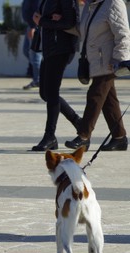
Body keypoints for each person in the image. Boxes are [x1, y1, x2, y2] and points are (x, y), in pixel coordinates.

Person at [65, 0, 130, 151]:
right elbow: (85, 30)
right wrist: (60, 24)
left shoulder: (113, 3)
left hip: (109, 62)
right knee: (109, 100)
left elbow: (123, 33)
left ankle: (84, 136)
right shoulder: (90, 5)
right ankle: (119, 137)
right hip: (95, 61)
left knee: (95, 95)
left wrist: (119, 59)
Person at [31, 0, 81, 151]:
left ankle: (50, 136)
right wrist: (41, 19)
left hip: (61, 48)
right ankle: (79, 122)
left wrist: (42, 21)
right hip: (49, 48)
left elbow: (69, 22)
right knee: (45, 93)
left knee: (51, 93)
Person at [21, 0, 42, 90]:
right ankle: (40, 76)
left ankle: (38, 80)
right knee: (27, 51)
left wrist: (33, 26)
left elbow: (37, 9)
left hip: (35, 26)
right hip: (31, 25)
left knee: (35, 54)